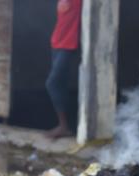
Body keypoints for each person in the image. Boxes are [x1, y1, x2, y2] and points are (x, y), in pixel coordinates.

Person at [46, 0, 83, 139]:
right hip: (56, 43)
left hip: (69, 45)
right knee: (60, 85)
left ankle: (64, 127)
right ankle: (67, 125)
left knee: (52, 84)